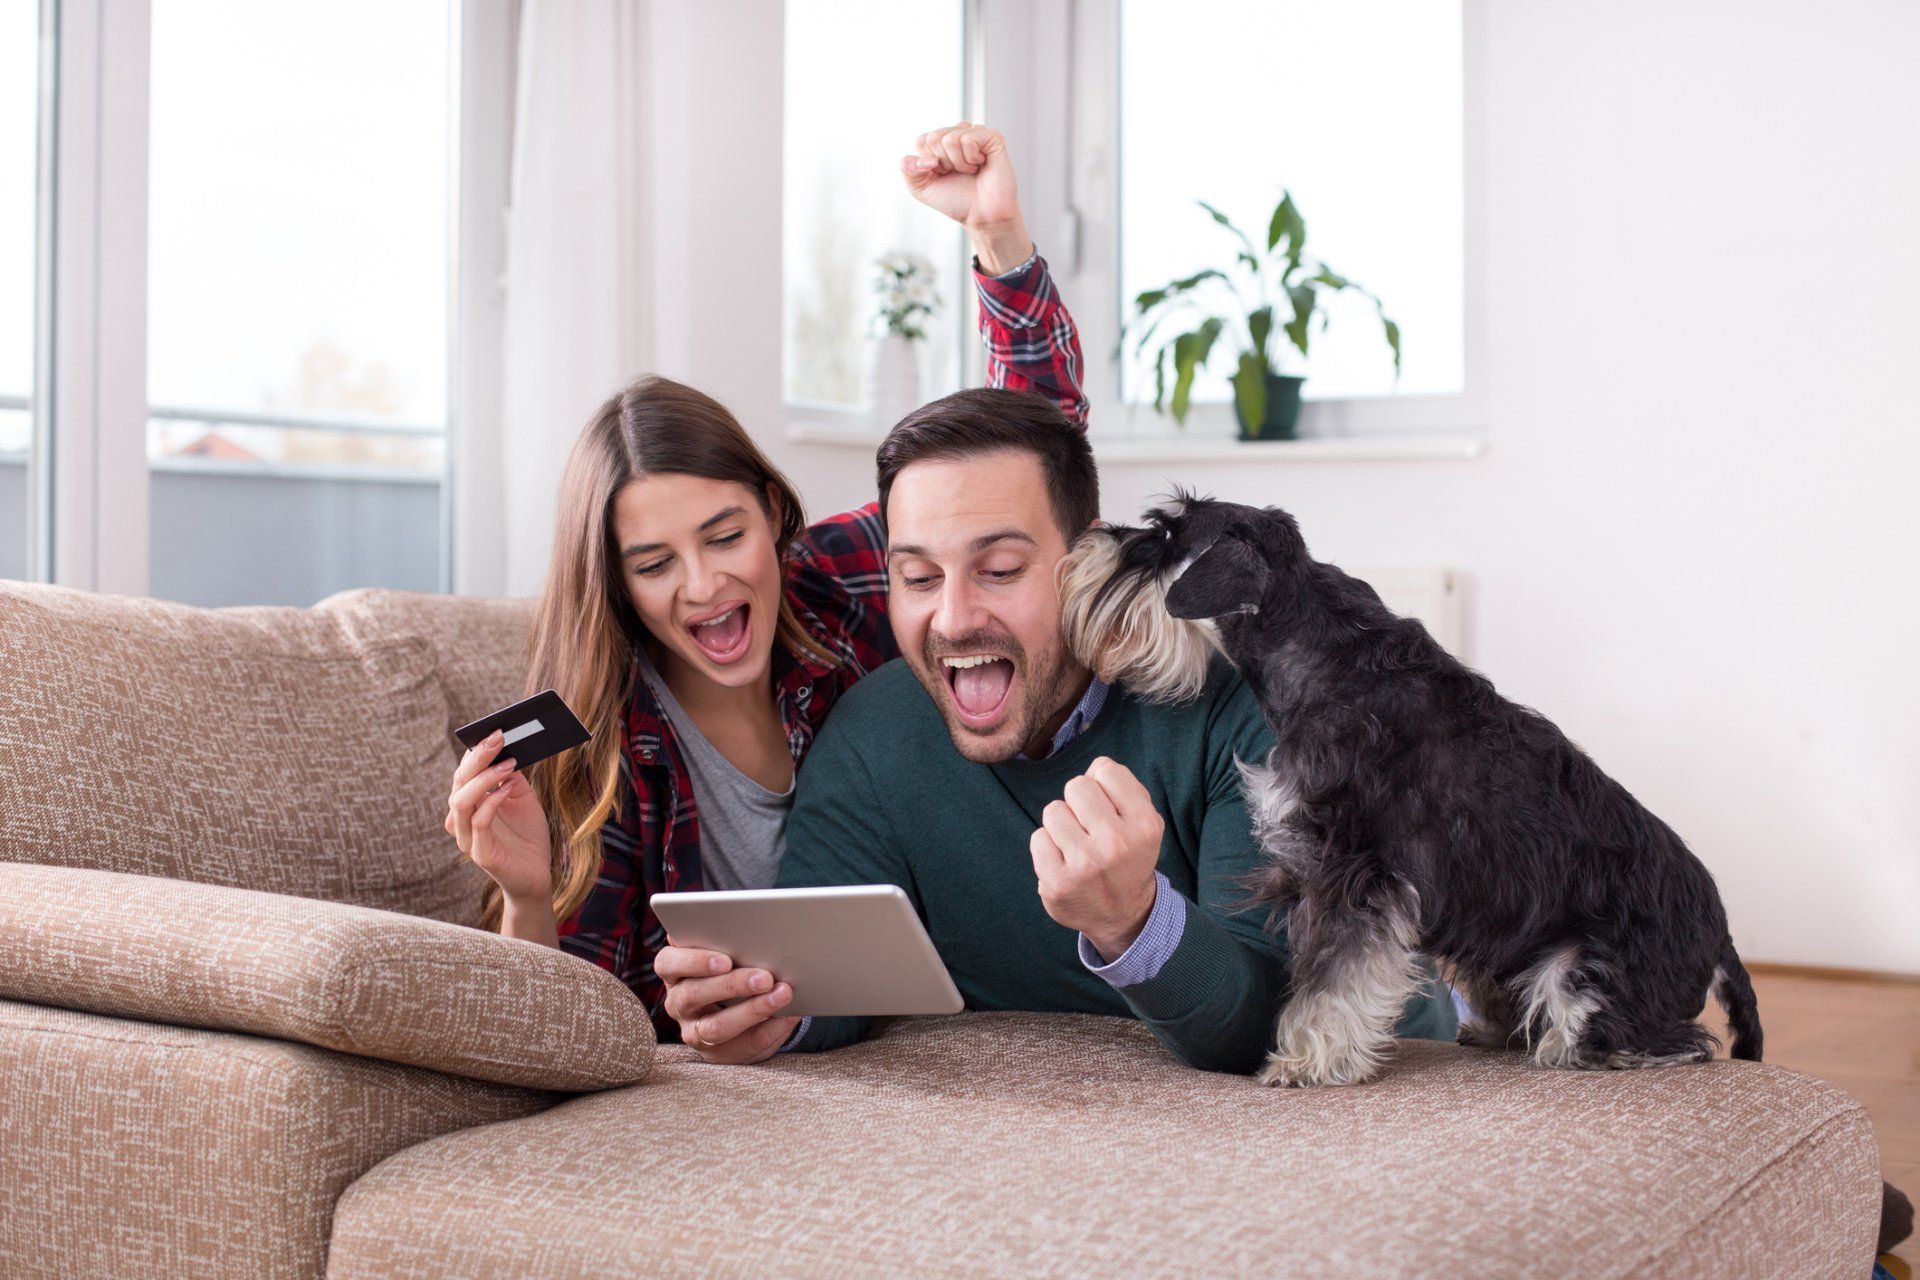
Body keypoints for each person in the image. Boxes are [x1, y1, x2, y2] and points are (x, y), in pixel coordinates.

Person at [443, 123, 1087, 1041]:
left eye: (725, 535)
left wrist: (1000, 237)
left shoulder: (836, 586)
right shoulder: (597, 744)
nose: (705, 585)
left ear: (773, 516)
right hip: (753, 1072)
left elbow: (1026, 457)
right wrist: (525, 894)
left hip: (952, 1004)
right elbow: (563, 1032)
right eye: (655, 564)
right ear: (617, 586)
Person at [653, 388, 1460, 1071]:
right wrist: (766, 1010)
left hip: (1388, 1061)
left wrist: (1134, 921)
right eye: (918, 578)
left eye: (1000, 570)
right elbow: (836, 984)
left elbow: (1276, 1025)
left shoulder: (1241, 704)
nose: (954, 617)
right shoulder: (872, 734)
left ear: (1085, 565)